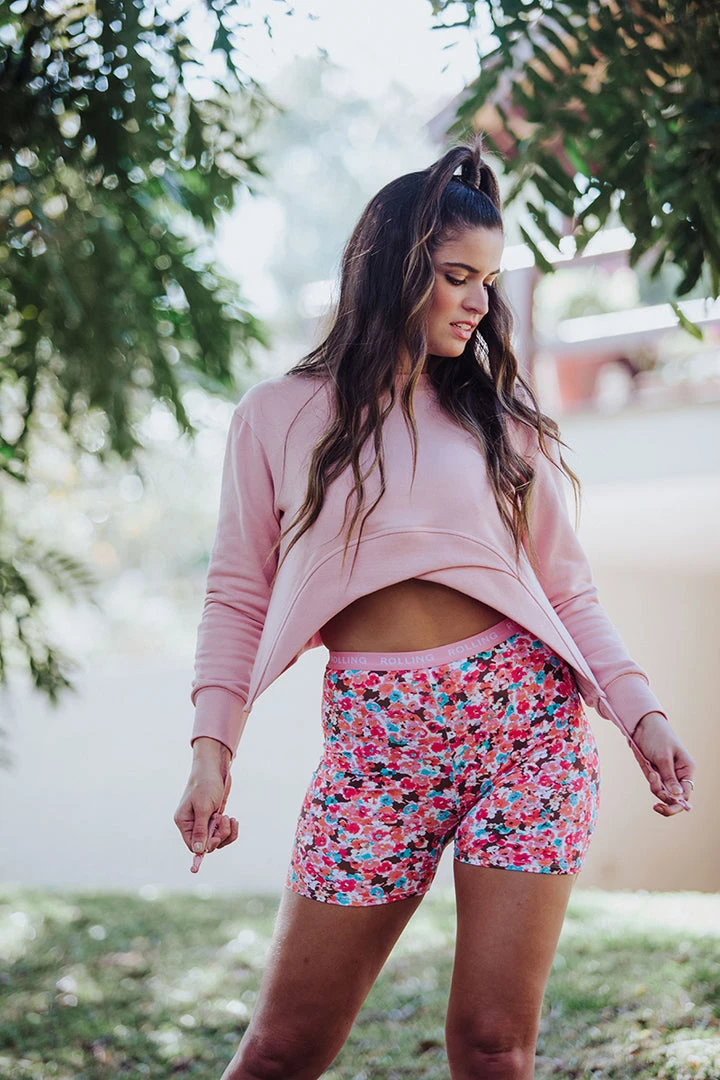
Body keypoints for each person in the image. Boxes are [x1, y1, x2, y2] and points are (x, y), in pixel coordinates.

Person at [174, 133, 695, 1080]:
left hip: (525, 729)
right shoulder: (277, 416)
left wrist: (641, 712)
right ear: (392, 271)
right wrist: (213, 752)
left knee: (493, 1045)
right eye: (458, 277)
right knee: (283, 1048)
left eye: (488, 282)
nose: (479, 302)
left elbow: (568, 587)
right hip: (375, 745)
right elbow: (238, 591)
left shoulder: (501, 424)